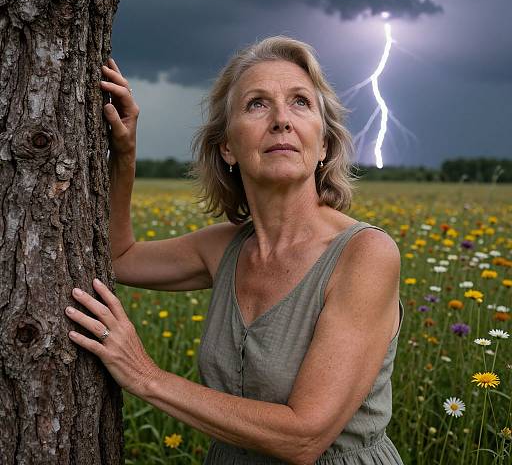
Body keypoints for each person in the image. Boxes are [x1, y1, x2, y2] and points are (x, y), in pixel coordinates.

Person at [65, 36, 404, 464]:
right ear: (227, 146)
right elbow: (117, 256)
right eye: (257, 104)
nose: (282, 120)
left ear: (323, 144)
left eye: (300, 102)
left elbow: (304, 437)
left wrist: (145, 375)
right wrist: (125, 153)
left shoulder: (365, 254)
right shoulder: (224, 247)